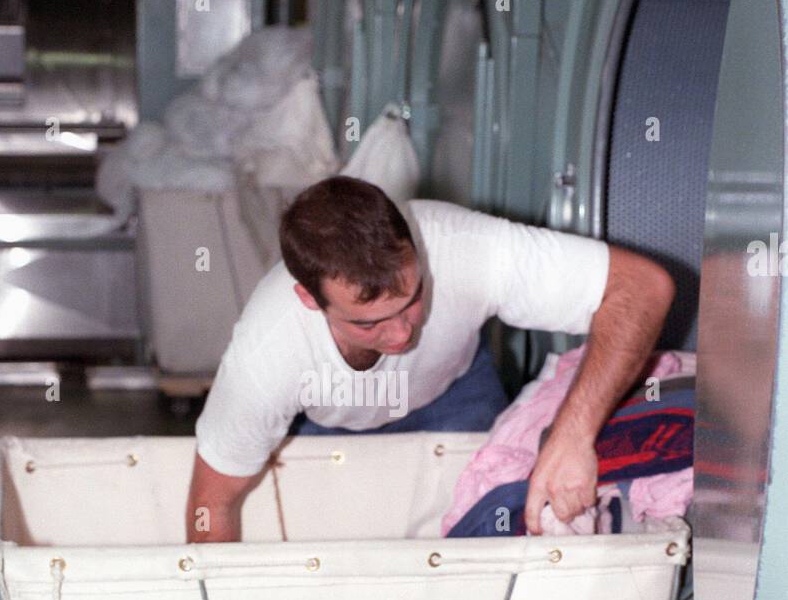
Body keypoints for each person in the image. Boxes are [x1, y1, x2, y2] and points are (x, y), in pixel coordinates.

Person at [187, 175, 674, 542]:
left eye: (412, 299)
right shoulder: (268, 351)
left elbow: (642, 288)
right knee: (339, 557)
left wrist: (573, 436)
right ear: (311, 300)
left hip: (455, 395)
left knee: (488, 538)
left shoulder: (460, 246)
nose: (402, 333)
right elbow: (212, 504)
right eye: (369, 322)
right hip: (328, 426)